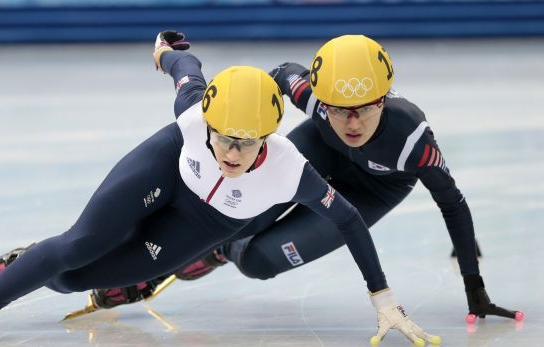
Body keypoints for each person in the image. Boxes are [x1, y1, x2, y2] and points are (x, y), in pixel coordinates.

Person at [0, 31, 439, 347]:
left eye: (247, 143)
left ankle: (24, 265)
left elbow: (349, 220)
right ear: (207, 125)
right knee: (80, 243)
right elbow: (185, 70)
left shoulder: (290, 169)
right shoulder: (193, 115)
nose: (233, 154)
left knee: (70, 279)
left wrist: (383, 296)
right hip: (162, 171)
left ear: (268, 137)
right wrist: (166, 49)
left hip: (199, 224)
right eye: (224, 139)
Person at [110, 34, 522, 325]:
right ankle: (153, 266)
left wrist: (474, 286)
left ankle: (221, 253)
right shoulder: (310, 96)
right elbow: (268, 81)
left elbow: (453, 202)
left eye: (364, 108)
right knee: (242, 212)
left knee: (258, 262)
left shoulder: (413, 141)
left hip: (373, 190)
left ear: (383, 100)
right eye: (339, 109)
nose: (352, 122)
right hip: (319, 149)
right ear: (322, 100)